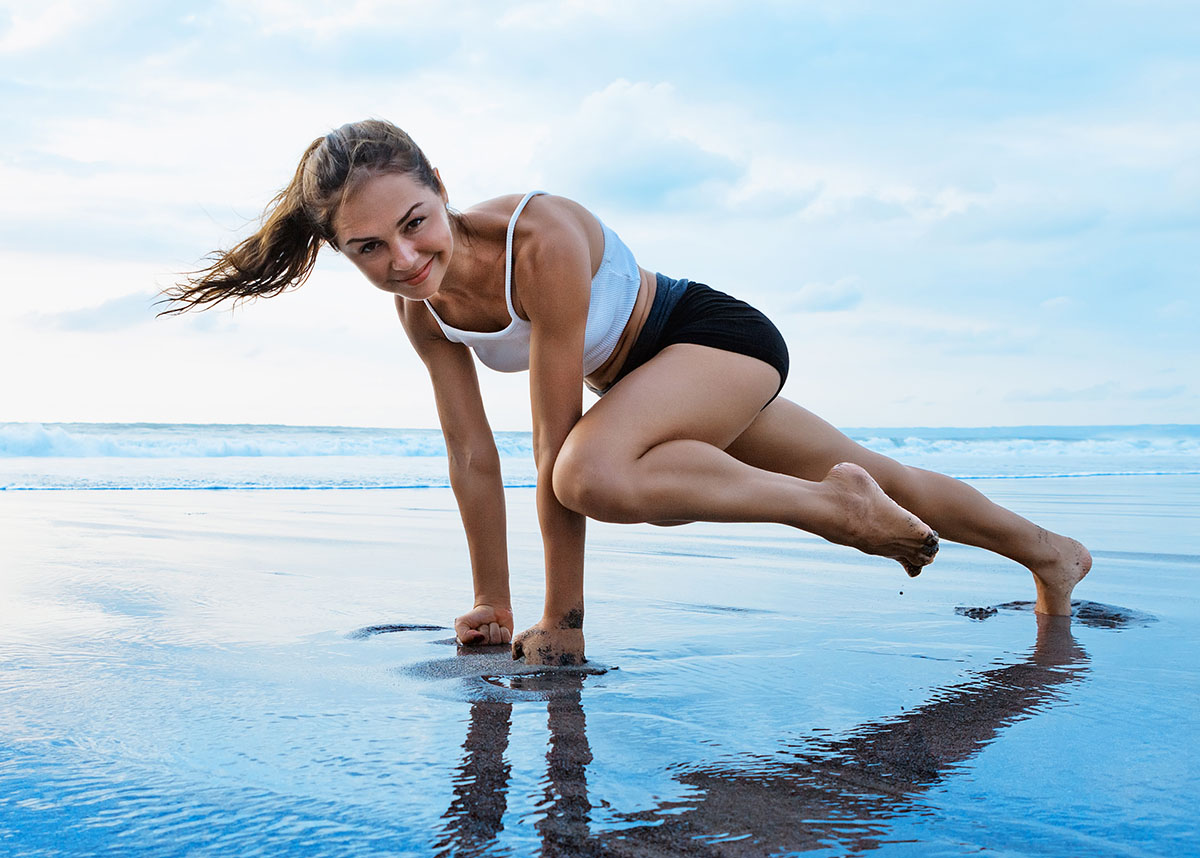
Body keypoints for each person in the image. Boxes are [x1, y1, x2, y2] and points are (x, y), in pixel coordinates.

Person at [161, 119, 1092, 665]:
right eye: (369, 249)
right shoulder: (422, 313)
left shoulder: (543, 241)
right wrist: (492, 601)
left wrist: (560, 624)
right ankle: (1051, 554)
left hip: (711, 341)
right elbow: (471, 457)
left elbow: (552, 450)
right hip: (652, 390)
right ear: (340, 249)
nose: (404, 260)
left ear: (442, 189)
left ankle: (830, 507)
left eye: (415, 224)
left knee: (589, 471)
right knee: (896, 481)